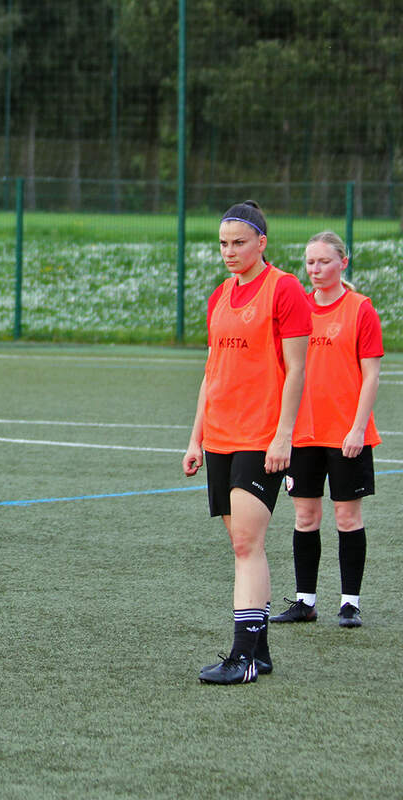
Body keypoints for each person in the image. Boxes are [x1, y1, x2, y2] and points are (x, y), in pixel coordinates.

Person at [182, 200, 311, 685]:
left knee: (245, 543)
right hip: (220, 435)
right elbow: (211, 373)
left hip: (261, 436)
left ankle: (243, 658)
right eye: (223, 244)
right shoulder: (219, 295)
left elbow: (297, 369)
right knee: (243, 545)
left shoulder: (285, 289)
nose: (230, 252)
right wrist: (195, 437)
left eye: (239, 243)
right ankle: (260, 650)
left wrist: (283, 435)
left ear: (261, 242)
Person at [271, 232, 382, 629]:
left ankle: (350, 603)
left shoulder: (360, 309)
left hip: (347, 434)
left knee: (348, 518)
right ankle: (305, 601)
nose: (315, 270)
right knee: (305, 516)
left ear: (343, 264)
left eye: (324, 262)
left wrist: (356, 428)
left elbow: (371, 376)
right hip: (302, 432)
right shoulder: (296, 308)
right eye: (310, 262)